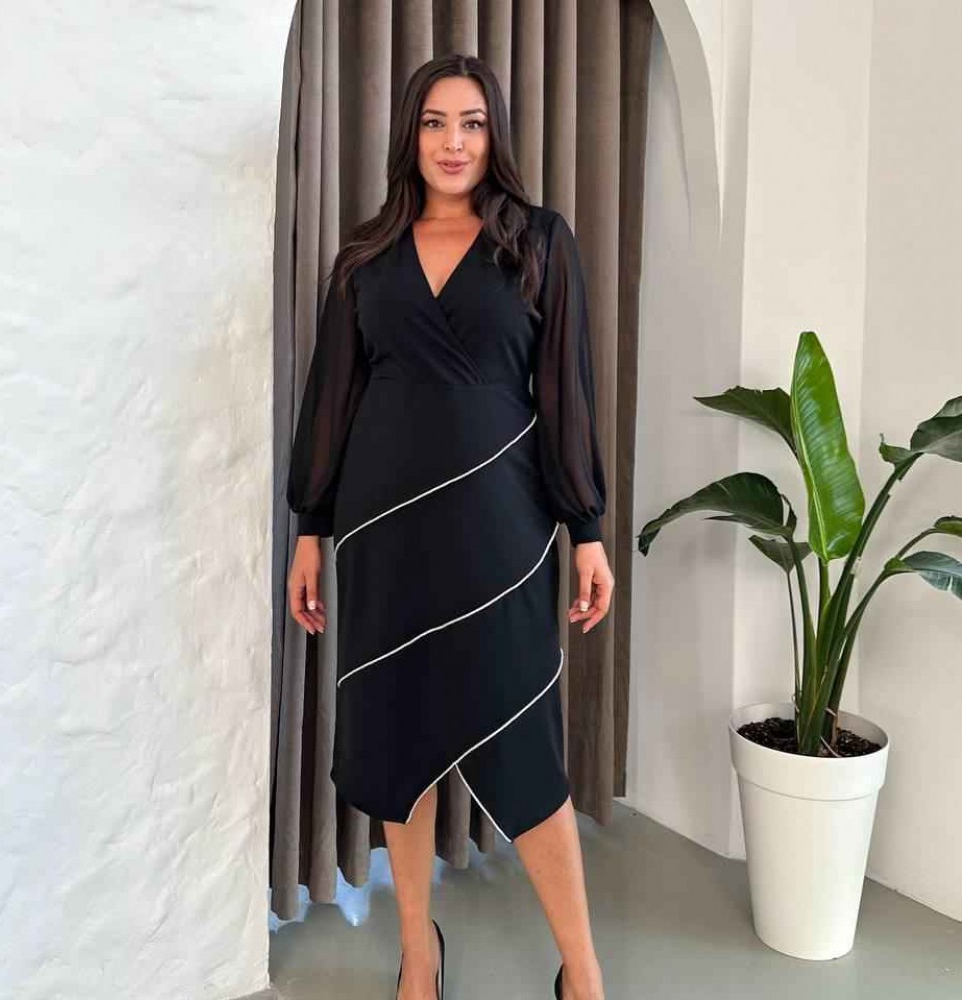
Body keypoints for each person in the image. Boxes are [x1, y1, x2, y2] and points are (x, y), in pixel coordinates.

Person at [286, 52, 613, 1000]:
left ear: (494, 133)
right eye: (435, 122)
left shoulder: (539, 240)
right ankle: (418, 955)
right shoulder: (366, 255)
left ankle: (582, 969)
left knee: (524, 747)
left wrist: (586, 527)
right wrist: (310, 526)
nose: (453, 142)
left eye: (471, 122)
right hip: (383, 528)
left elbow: (566, 392)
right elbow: (333, 396)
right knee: (402, 737)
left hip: (502, 528)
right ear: (411, 135)